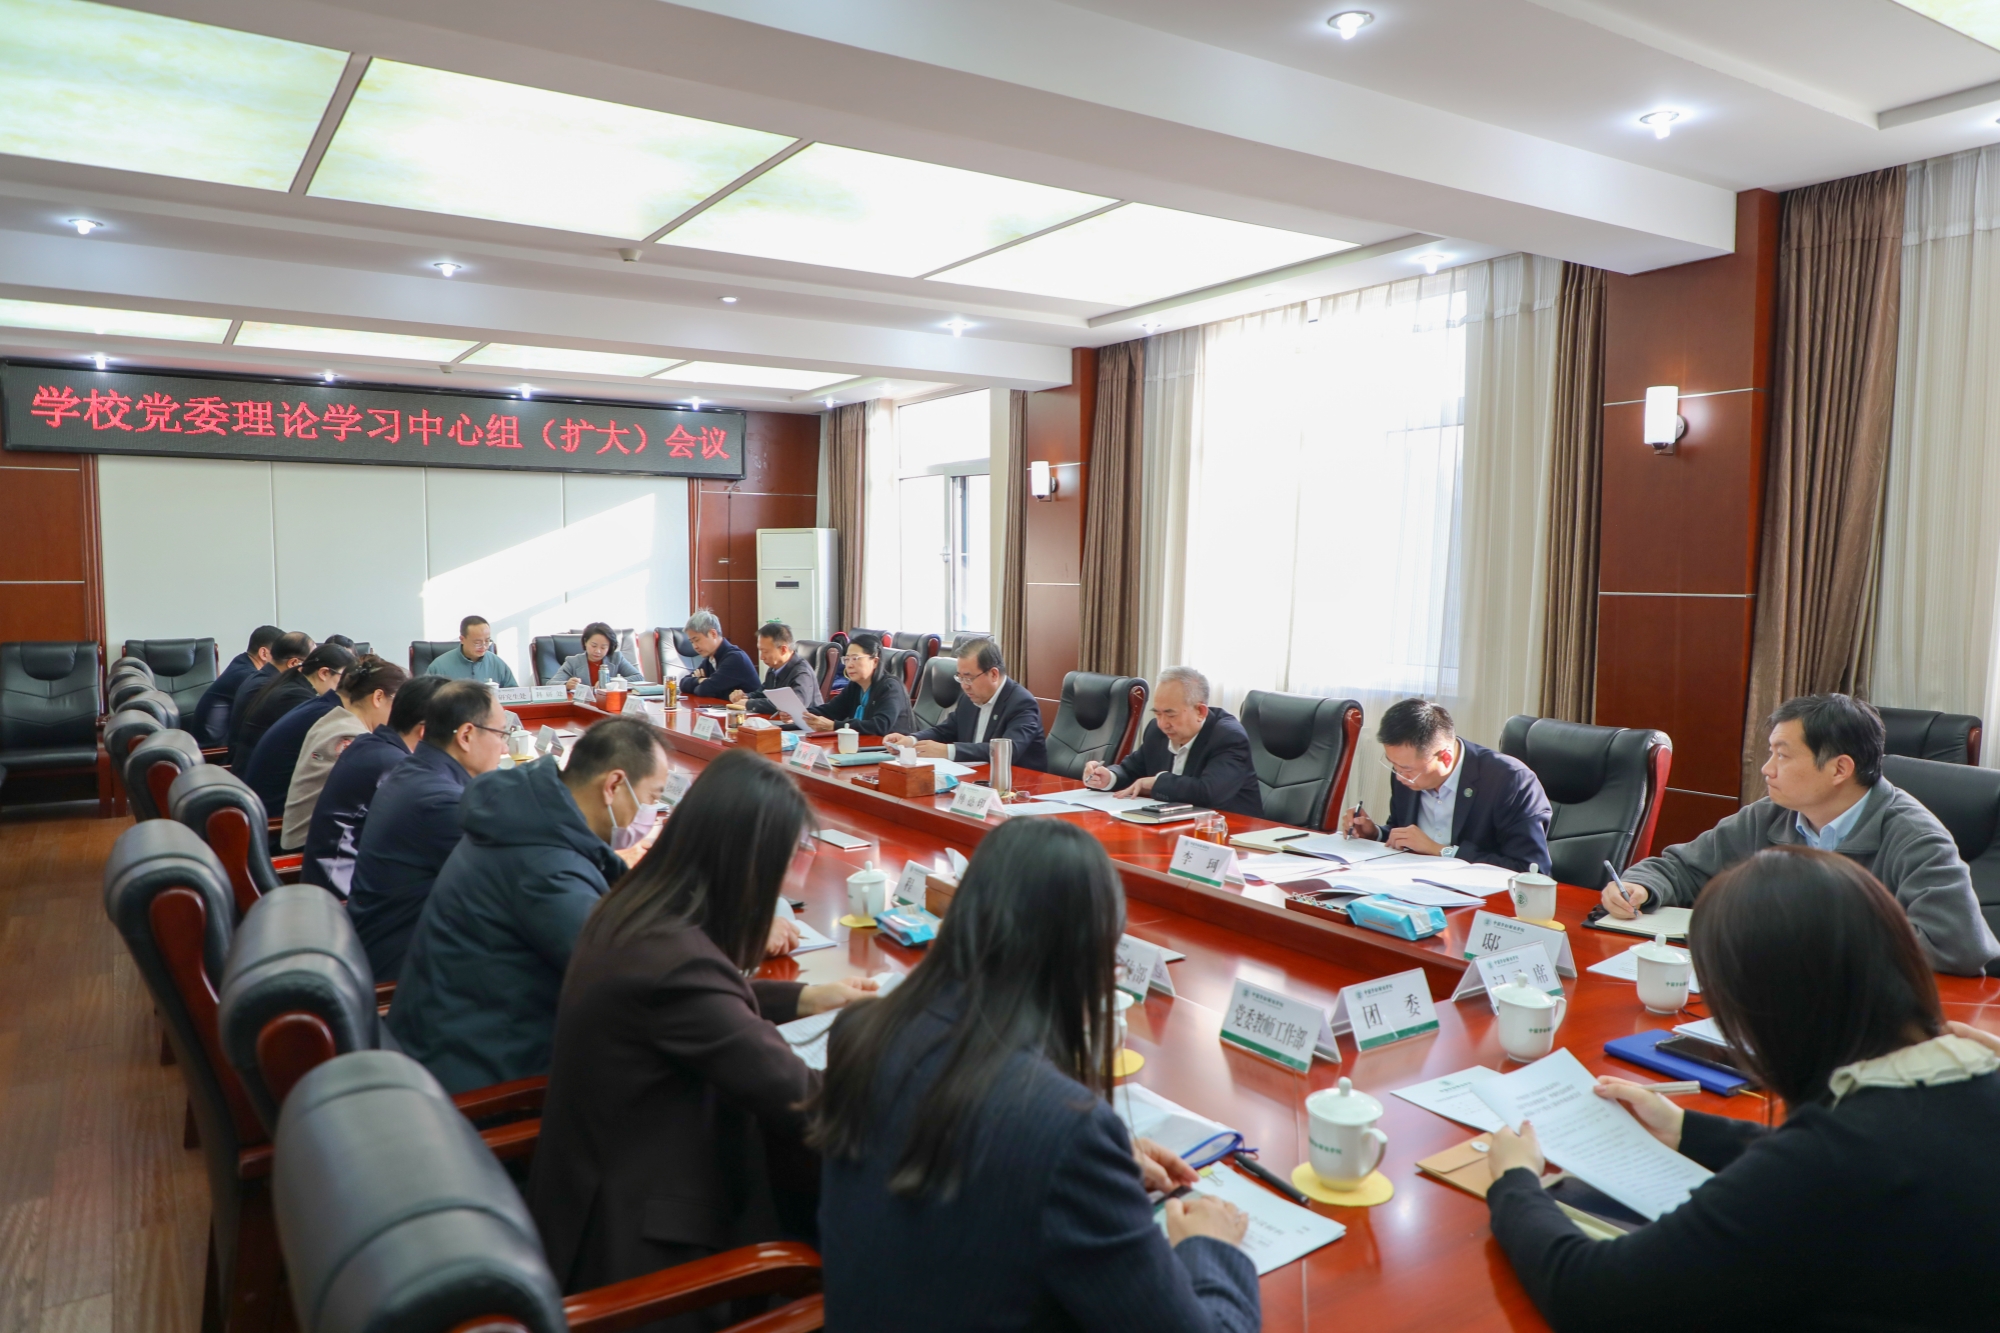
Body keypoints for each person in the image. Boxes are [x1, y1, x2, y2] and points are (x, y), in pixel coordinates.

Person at [1487, 847, 2000, 1331]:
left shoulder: (1829, 1160)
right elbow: (1876, 1162)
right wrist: (1686, 1128)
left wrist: (1514, 1182)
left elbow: (1591, 1296)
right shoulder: (1965, 1073)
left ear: (1769, 1013)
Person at [811, 819, 1260, 1332]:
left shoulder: (861, 1030)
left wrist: (1099, 1166)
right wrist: (1211, 1248)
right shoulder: (1066, 1130)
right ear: (1081, 961)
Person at [528, 749, 877, 1307]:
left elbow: (707, 1003)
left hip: (596, 1190)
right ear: (744, 865)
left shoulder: (638, 909)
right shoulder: (676, 965)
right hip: (647, 1255)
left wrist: (811, 995)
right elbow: (804, 1099)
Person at [1603, 693, 1998, 975]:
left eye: (1783, 755)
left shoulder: (1915, 837)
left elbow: (1957, 947)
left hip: (1884, 1018)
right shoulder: (1772, 815)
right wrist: (1641, 887)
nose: (1767, 769)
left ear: (1840, 769)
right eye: (1771, 753)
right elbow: (1681, 868)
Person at [388, 718, 673, 1093]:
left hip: (457, 1041)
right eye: (653, 797)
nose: (652, 814)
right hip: (486, 1085)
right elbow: (629, 975)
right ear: (614, 785)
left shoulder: (525, 818)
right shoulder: (544, 866)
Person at [347, 681, 510, 981]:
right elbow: (510, 884)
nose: (505, 747)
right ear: (466, 735)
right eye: (501, 734)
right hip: (401, 970)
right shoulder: (440, 802)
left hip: (387, 942)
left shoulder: (415, 772)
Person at [1342, 698, 1552, 871]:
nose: (1399, 776)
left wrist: (1442, 851)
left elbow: (1531, 868)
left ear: (1445, 757)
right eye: (1393, 765)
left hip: (1479, 901)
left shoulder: (1509, 780)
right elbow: (1407, 835)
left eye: (1406, 769)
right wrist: (1375, 833)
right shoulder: (1405, 773)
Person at [301, 675, 445, 898]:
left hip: (335, 881)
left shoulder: (371, 743)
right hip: (343, 895)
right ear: (426, 731)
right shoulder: (393, 766)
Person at [1082, 666, 1262, 817]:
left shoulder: (1228, 737)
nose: (1162, 724)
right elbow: (1131, 769)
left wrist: (1156, 782)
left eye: (1170, 714)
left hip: (1230, 836)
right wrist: (1108, 777)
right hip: (1173, 827)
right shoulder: (1156, 730)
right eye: (1157, 713)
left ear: (1200, 711)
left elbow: (1209, 793)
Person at [279, 656, 409, 852]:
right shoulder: (351, 737)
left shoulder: (334, 719)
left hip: (315, 842)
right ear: (378, 697)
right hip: (311, 850)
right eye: (399, 704)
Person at [885, 637, 1046, 770]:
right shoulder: (969, 697)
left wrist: (948, 751)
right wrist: (911, 740)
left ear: (994, 674)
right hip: (975, 778)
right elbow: (946, 730)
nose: (964, 685)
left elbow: (1009, 751)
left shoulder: (1021, 703)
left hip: (1019, 787)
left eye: (968, 678)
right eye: (960, 677)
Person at [235, 642, 355, 792]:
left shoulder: (293, 685)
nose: (346, 688)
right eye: (344, 679)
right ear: (324, 673)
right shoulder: (297, 698)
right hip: (262, 793)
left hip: (254, 781)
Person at [227, 631, 311, 765]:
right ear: (294, 663)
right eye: (311, 663)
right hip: (250, 768)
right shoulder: (272, 688)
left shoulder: (262, 677)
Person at [804, 634, 915, 737]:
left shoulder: (890, 687)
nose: (849, 665)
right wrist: (801, 714)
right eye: (847, 659)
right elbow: (830, 710)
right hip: (862, 746)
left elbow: (880, 726)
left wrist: (835, 726)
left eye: (855, 658)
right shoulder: (855, 686)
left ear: (875, 661)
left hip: (891, 751)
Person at [193, 625, 282, 747]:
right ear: (264, 653)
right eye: (281, 655)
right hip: (217, 752)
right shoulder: (249, 676)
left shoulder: (241, 662)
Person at [731, 621, 822, 717]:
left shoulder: (802, 673)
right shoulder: (774, 668)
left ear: (783, 649)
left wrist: (749, 704)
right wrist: (746, 696)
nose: (761, 657)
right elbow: (764, 692)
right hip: (780, 723)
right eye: (760, 651)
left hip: (806, 728)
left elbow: (793, 704)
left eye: (765, 651)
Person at [678, 609, 759, 699]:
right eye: (691, 642)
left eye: (696, 640)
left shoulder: (735, 658)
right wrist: (700, 680)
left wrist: (702, 683)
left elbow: (703, 690)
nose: (695, 646)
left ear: (713, 634)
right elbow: (683, 684)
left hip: (750, 712)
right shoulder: (710, 659)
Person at [425, 614, 519, 687]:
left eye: (487, 641)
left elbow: (514, 696)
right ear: (462, 639)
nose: (483, 646)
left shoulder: (497, 663)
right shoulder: (439, 667)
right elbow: (425, 701)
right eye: (477, 642)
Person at [552, 621, 645, 689]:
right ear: (585, 642)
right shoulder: (573, 661)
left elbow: (639, 678)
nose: (598, 651)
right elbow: (550, 684)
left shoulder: (616, 658)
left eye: (603, 647)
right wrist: (566, 685)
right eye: (594, 645)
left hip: (611, 703)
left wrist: (610, 682)